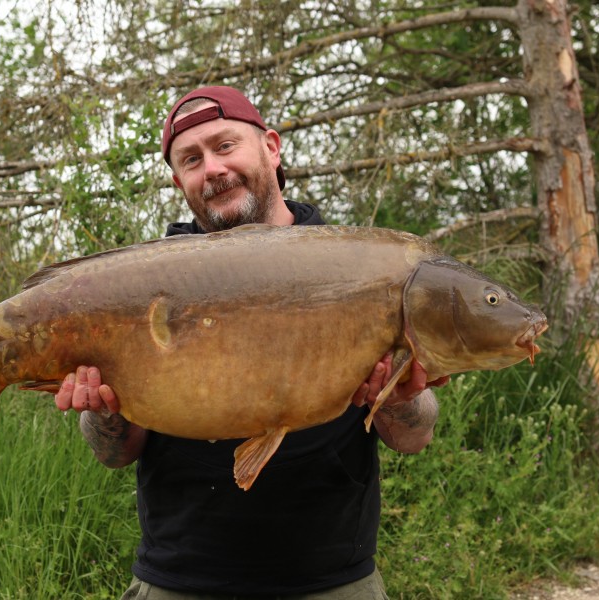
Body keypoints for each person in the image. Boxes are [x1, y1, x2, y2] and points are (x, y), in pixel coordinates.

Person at [53, 86, 448, 598]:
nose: (212, 168)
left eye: (225, 145)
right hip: (178, 578)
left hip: (332, 580)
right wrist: (102, 411)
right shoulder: (143, 280)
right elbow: (115, 454)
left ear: (271, 147)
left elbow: (414, 437)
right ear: (179, 182)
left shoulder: (356, 262)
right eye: (191, 159)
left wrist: (398, 397)